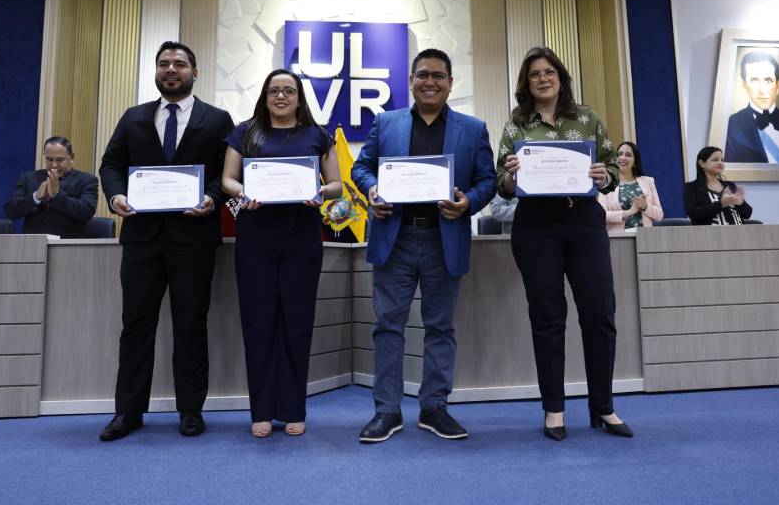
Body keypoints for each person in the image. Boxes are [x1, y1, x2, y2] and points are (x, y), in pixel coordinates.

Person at [352, 48, 496, 443]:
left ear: (451, 83)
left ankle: (434, 407)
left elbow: (488, 180)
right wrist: (373, 189)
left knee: (440, 327)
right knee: (387, 326)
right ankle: (386, 411)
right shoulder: (386, 122)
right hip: (394, 237)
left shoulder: (473, 128)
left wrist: (468, 202)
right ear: (410, 81)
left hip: (443, 238)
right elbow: (361, 167)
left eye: (438, 76)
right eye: (422, 75)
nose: (429, 82)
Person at [98, 41, 234, 441]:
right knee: (136, 325)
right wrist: (116, 195)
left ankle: (190, 410)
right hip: (141, 237)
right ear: (156, 72)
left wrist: (213, 196)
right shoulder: (134, 117)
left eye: (179, 64)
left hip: (194, 238)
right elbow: (111, 165)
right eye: (163, 64)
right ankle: (128, 412)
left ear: (195, 71)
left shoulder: (217, 118)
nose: (170, 69)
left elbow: (227, 170)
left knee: (190, 324)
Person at [496, 46, 633, 441]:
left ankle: (603, 407)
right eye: (535, 73)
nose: (543, 78)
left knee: (600, 314)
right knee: (548, 318)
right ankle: (554, 409)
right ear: (527, 82)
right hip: (536, 225)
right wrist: (512, 174)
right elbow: (501, 185)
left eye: (549, 71)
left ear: (561, 76)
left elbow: (609, 165)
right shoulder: (516, 124)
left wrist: (603, 176)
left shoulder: (587, 117)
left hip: (583, 221)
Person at [221, 69, 342, 438]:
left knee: (297, 321)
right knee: (258, 322)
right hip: (256, 235)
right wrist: (243, 194)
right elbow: (227, 179)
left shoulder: (317, 135)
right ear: (265, 95)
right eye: (274, 90)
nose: (281, 96)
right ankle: (261, 409)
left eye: (288, 90)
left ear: (299, 97)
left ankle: (292, 407)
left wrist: (320, 193)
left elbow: (336, 183)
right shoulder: (246, 131)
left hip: (301, 237)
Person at [4, 137, 98, 237]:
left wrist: (56, 195)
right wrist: (36, 197)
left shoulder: (86, 180)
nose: (54, 165)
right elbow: (11, 211)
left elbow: (86, 212)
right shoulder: (28, 178)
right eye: (49, 159)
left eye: (60, 160)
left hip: (67, 244)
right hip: (32, 245)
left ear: (72, 157)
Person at [725, 50, 779, 163]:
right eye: (754, 80)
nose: (762, 90)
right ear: (744, 85)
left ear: (778, 86)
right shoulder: (731, 125)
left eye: (768, 80)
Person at [598, 141, 663, 231]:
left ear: (635, 161)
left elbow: (659, 215)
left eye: (628, 155)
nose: (622, 158)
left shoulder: (648, 181)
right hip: (619, 239)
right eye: (620, 154)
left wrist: (645, 206)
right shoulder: (606, 183)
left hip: (645, 238)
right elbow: (601, 215)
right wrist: (627, 213)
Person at [684, 146, 752, 225]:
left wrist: (741, 203)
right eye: (715, 160)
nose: (720, 163)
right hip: (710, 235)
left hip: (739, 234)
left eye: (722, 160)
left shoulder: (730, 185)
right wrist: (721, 204)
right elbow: (694, 214)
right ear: (702, 163)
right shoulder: (691, 187)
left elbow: (747, 214)